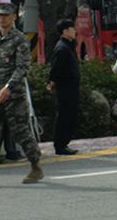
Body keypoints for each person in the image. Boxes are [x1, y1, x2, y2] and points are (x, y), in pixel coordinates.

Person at [0, 3, 43, 183]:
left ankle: (35, 165)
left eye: (6, 15)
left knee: (20, 130)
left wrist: (8, 87)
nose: (2, 18)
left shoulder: (20, 40)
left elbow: (22, 68)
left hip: (13, 94)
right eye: (0, 15)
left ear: (13, 17)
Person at [47, 19, 80, 155]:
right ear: (65, 32)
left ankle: (64, 142)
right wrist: (52, 80)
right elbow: (56, 67)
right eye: (72, 29)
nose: (75, 31)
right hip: (65, 86)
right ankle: (60, 145)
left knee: (69, 114)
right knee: (64, 115)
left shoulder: (68, 46)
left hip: (71, 86)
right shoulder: (62, 47)